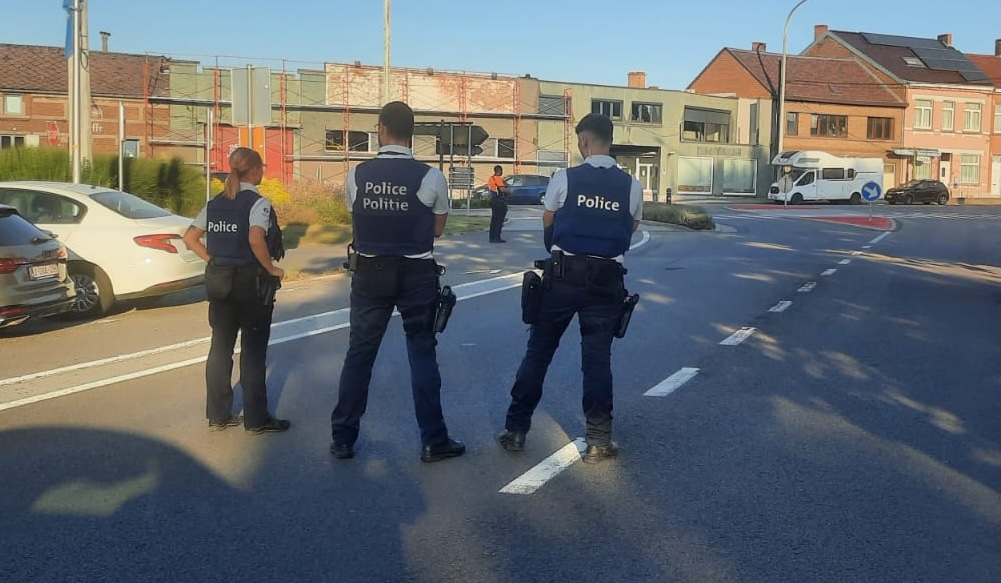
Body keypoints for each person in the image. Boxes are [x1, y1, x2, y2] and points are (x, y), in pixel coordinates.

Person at [498, 113, 642, 463]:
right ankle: (598, 441)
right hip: (607, 280)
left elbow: (548, 219)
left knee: (539, 352)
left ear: (583, 141)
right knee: (597, 360)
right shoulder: (632, 185)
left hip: (563, 276)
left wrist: (561, 242)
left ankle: (516, 430)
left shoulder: (564, 178)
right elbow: (632, 226)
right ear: (610, 141)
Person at [330, 101, 465, 463]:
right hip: (417, 275)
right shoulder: (431, 177)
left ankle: (343, 438)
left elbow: (357, 217)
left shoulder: (356, 175)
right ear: (412, 133)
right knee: (422, 353)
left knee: (359, 354)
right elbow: (437, 228)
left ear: (381, 129)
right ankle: (434, 441)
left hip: (369, 272)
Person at [182, 147, 290, 435]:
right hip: (249, 284)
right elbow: (256, 238)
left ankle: (218, 416)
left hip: (219, 283)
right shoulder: (257, 202)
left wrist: (212, 260)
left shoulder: (215, 203)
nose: (262, 171)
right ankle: (256, 420)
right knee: (253, 352)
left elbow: (190, 237)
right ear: (253, 170)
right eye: (261, 167)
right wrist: (271, 268)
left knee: (220, 348)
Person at [487, 165, 508, 243]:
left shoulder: (491, 178)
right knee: (499, 220)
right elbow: (502, 189)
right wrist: (510, 191)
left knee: (494, 220)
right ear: (499, 171)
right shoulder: (498, 178)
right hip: (499, 201)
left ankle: (491, 237)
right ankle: (497, 237)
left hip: (493, 200)